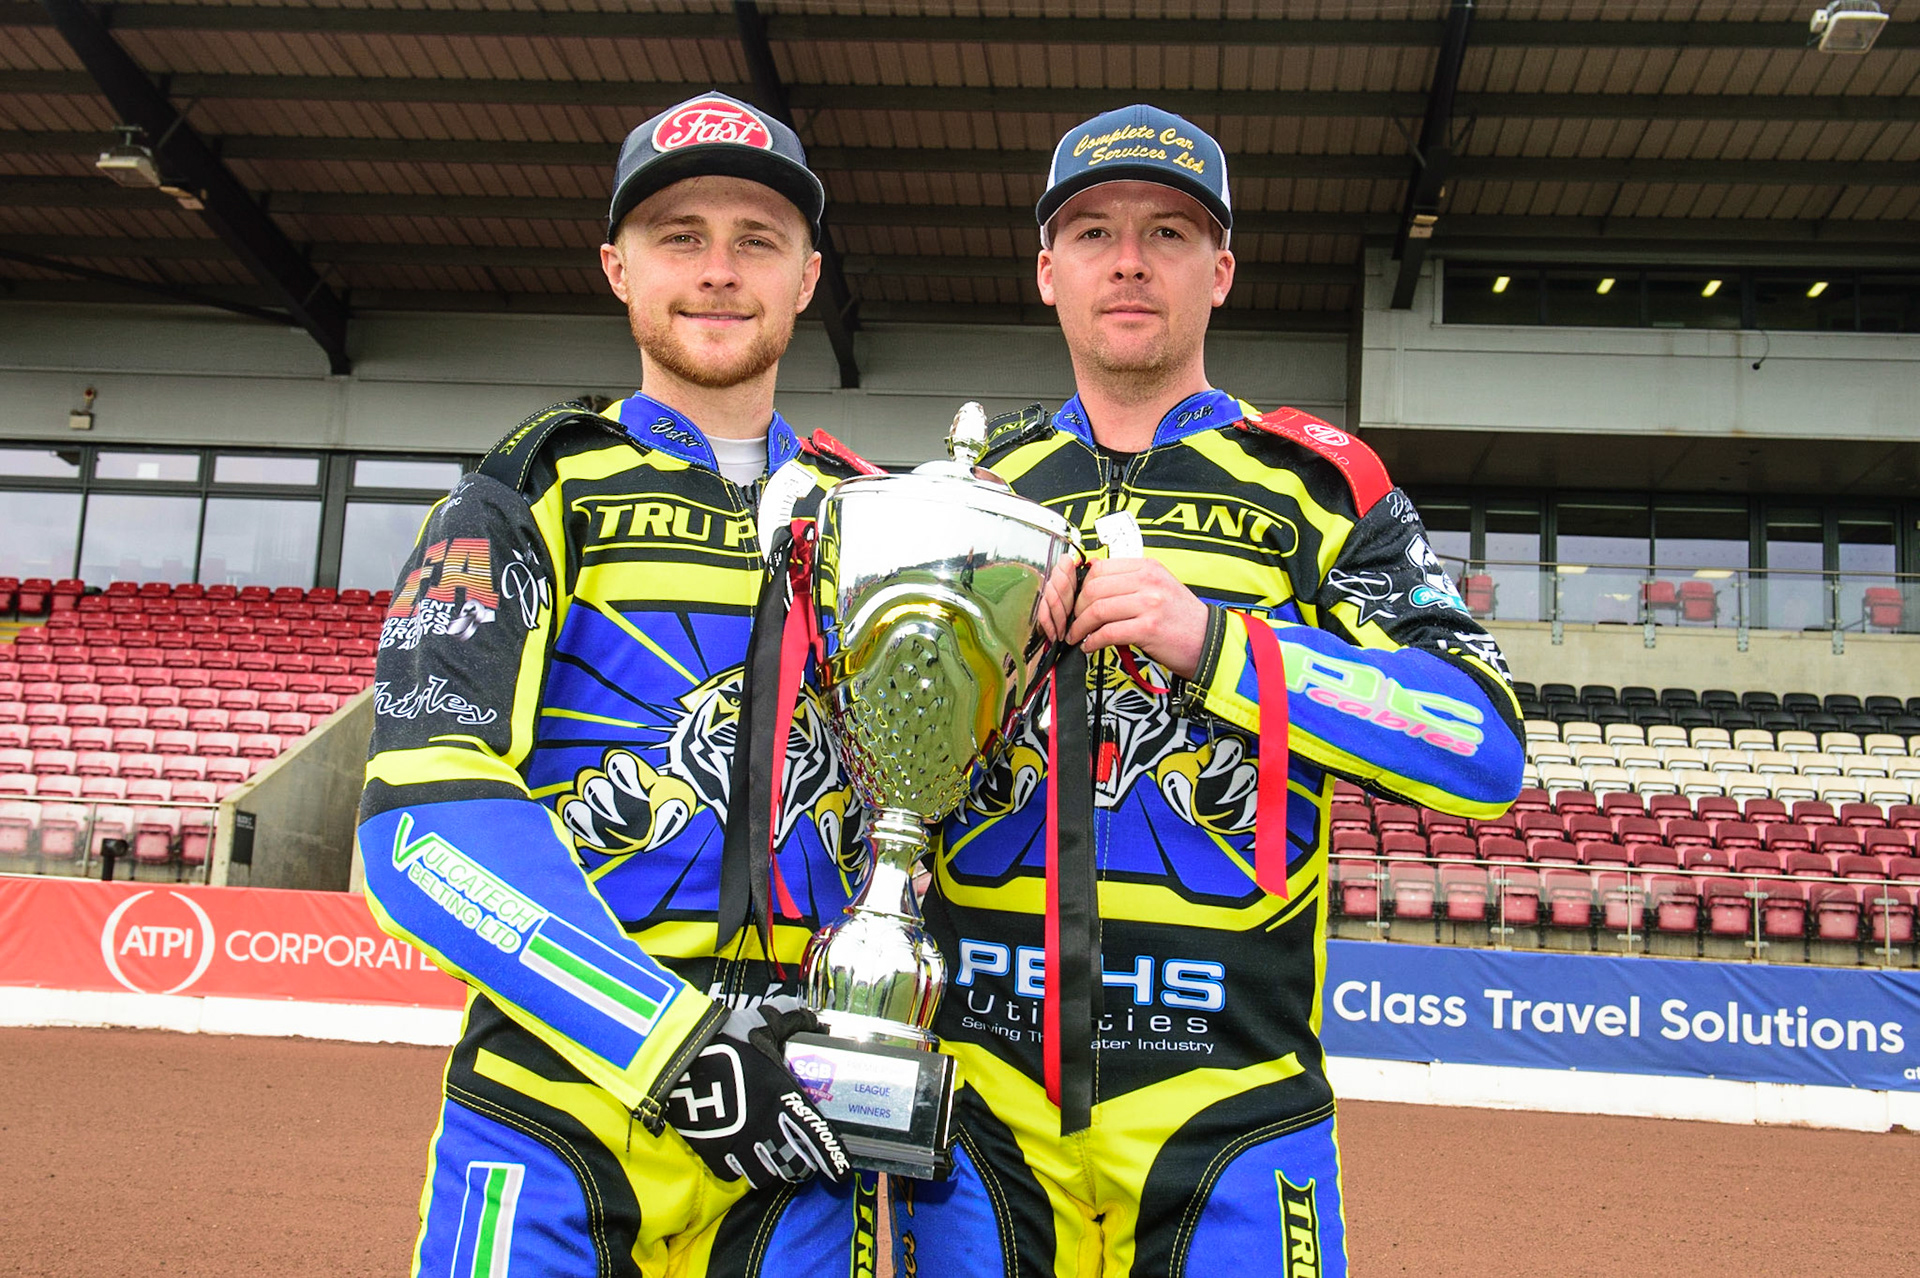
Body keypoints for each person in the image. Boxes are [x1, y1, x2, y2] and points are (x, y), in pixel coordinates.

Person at [896, 105, 1526, 1277]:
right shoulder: (968, 494)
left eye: (1169, 232)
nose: (1129, 259)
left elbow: (1482, 745)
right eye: (1092, 231)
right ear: (1048, 270)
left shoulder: (1322, 487)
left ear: (1221, 270)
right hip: (976, 1119)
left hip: (1233, 1122)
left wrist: (1220, 645)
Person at [358, 91, 880, 1277]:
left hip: (801, 1137)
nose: (718, 271)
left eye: (758, 240)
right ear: (617, 267)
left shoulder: (881, 521)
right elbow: (421, 831)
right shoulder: (522, 494)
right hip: (553, 1113)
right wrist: (670, 1043)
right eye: (679, 236)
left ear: (808, 277)